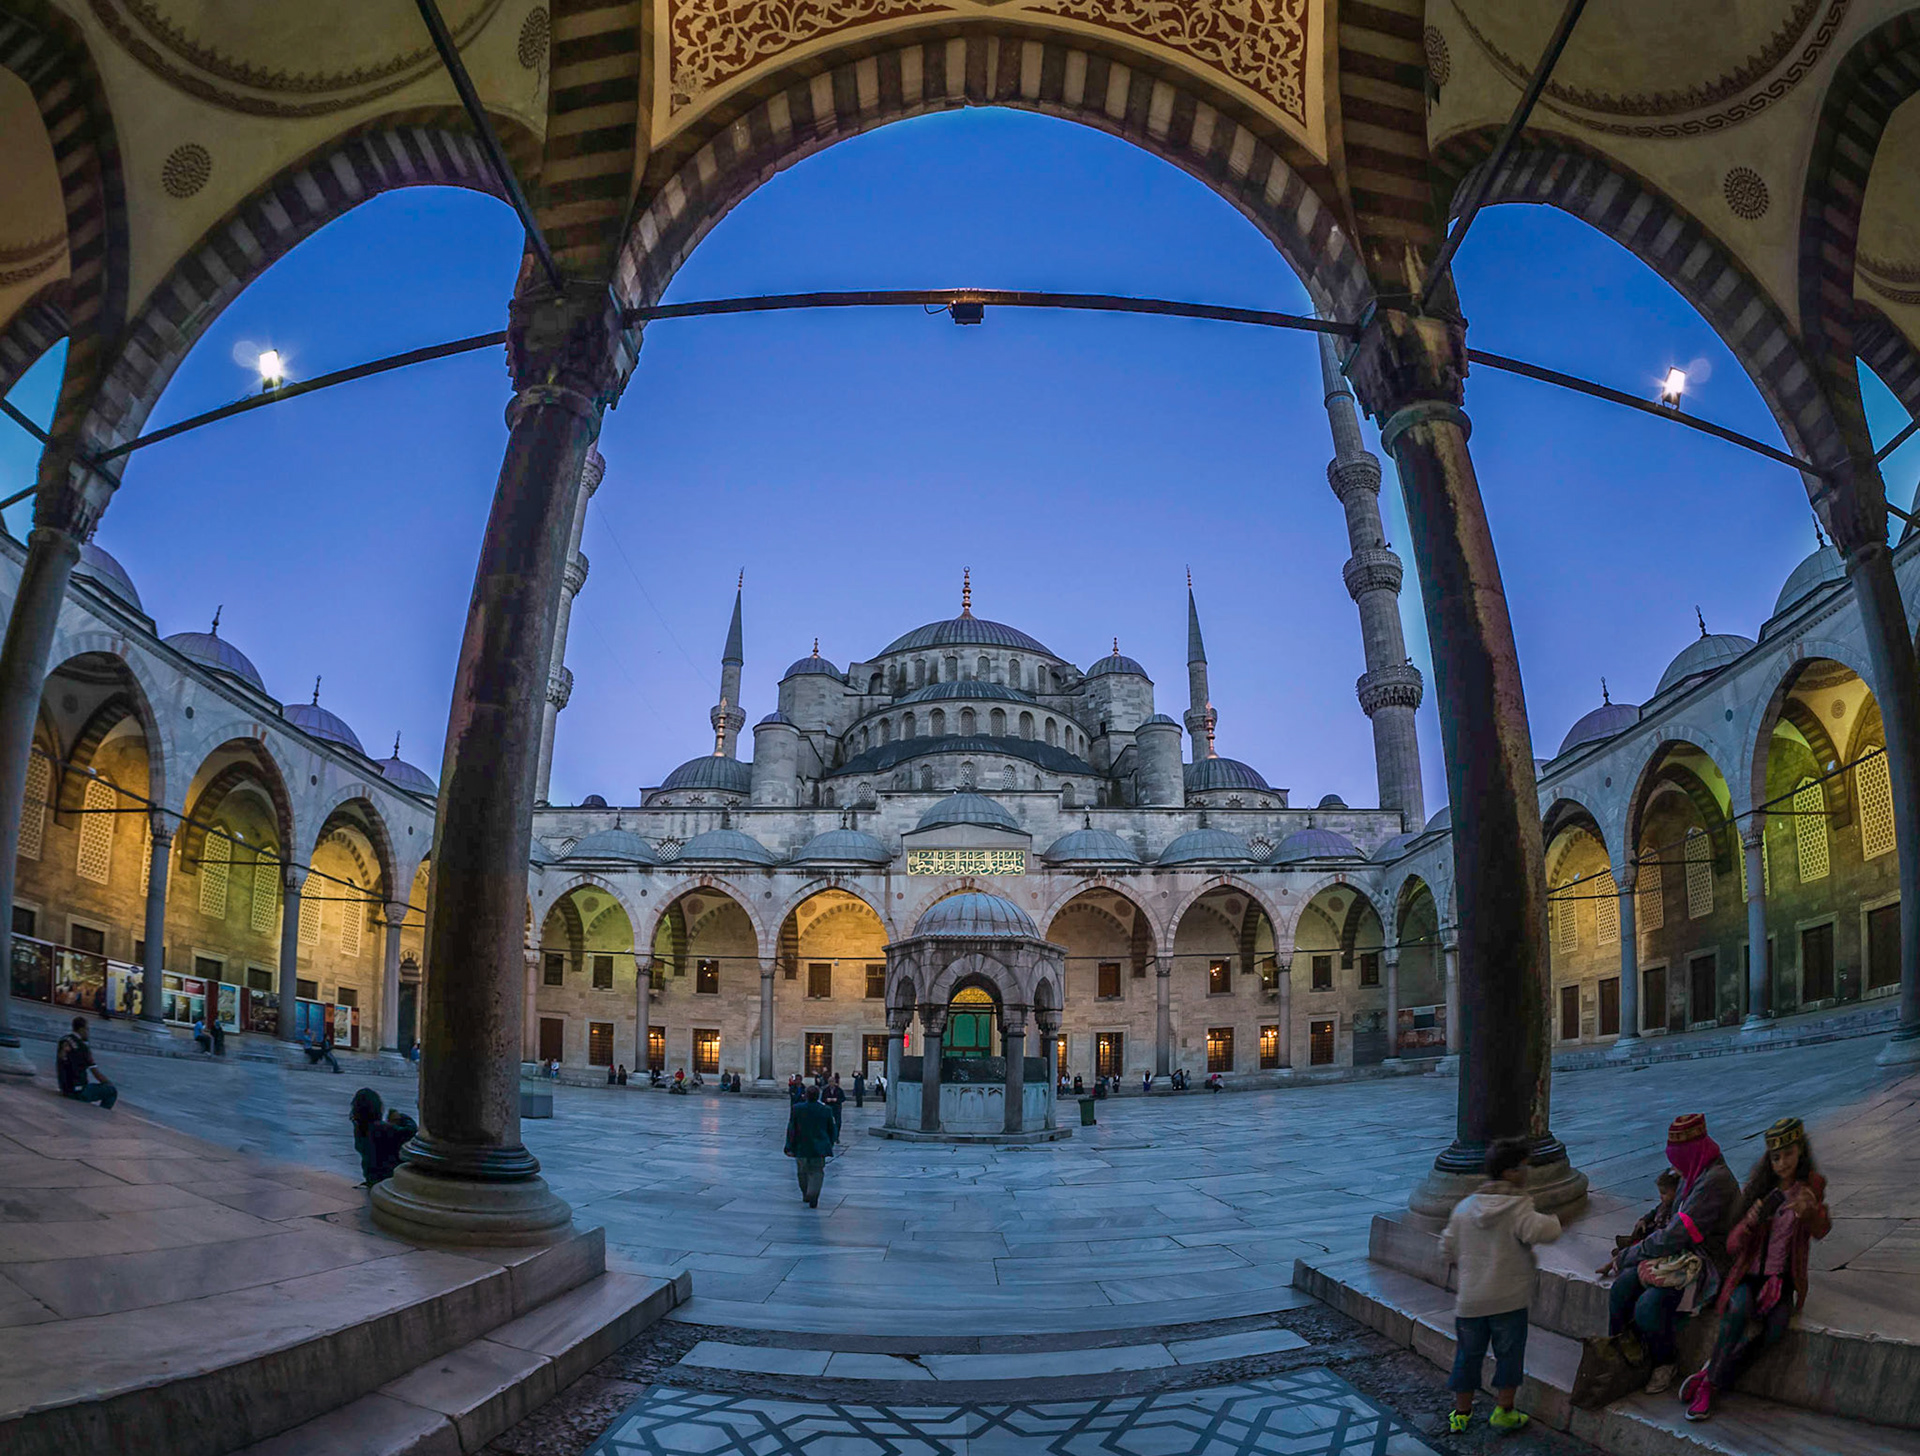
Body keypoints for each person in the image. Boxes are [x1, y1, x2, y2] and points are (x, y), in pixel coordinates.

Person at [1681, 1117, 1830, 1422]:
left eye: (1789, 1153)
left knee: (1776, 1329)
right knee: (1737, 1312)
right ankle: (1710, 1386)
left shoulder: (1810, 1188)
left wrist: (1812, 1212)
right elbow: (1733, 1246)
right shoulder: (1759, 1190)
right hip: (1747, 1276)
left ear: (1800, 1151)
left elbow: (1822, 1230)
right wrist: (1750, 1222)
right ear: (1769, 1160)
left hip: (1781, 1280)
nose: (1783, 1162)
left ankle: (1714, 1374)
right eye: (1776, 1157)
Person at [1608, 1112, 1741, 1395]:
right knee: (1620, 1289)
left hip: (1705, 1264)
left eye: (1676, 1159)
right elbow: (1667, 1214)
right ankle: (1619, 1355)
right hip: (1679, 1255)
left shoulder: (1714, 1181)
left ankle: (1664, 1361)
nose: (1673, 1167)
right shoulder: (1693, 1173)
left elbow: (1674, 1236)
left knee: (1648, 1307)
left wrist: (1627, 1256)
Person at [1438, 1138, 1561, 1434]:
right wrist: (1555, 1221)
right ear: (1509, 1172)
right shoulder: (1518, 1206)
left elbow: (1445, 1248)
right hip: (1509, 1301)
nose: (1526, 1172)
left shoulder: (1465, 1207)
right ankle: (1504, 1411)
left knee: (1467, 1356)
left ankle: (1461, 1413)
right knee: (1509, 1355)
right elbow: (1540, 1231)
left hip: (1470, 1302)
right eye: (1523, 1167)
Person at [1600, 1169, 1681, 1278]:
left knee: (1635, 1250)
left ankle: (1613, 1263)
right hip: (1650, 1233)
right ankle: (1627, 1246)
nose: (1661, 1197)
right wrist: (1643, 1220)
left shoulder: (1675, 1209)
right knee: (1638, 1236)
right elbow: (1652, 1213)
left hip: (1655, 1238)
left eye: (1664, 1193)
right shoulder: (1663, 1205)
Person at [349, 1088, 418, 1186]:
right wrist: (402, 1117)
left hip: (371, 1176)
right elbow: (410, 1131)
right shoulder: (381, 1128)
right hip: (388, 1176)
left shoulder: (360, 1128)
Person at [784, 1085, 837, 1207]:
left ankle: (806, 1193)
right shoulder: (826, 1110)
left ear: (806, 1095)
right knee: (817, 1172)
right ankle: (813, 1194)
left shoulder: (797, 1109)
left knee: (802, 1172)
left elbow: (791, 1129)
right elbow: (832, 1129)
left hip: (801, 1146)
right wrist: (830, 1142)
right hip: (819, 1147)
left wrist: (789, 1146)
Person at [56, 1016, 117, 1109]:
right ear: (81, 1030)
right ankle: (103, 1113)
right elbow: (96, 1072)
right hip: (78, 1090)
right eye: (87, 1029)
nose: (88, 1033)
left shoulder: (63, 1040)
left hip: (64, 1087)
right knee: (111, 1091)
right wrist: (108, 1083)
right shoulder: (83, 1048)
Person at [824, 1072, 846, 1143]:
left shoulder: (839, 1090)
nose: (831, 1083)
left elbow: (843, 1098)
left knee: (838, 1122)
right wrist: (827, 1100)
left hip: (837, 1108)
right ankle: (829, 1136)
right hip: (828, 1108)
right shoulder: (826, 1090)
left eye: (832, 1082)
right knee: (828, 1122)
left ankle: (836, 1136)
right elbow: (822, 1099)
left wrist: (836, 1100)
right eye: (830, 1082)